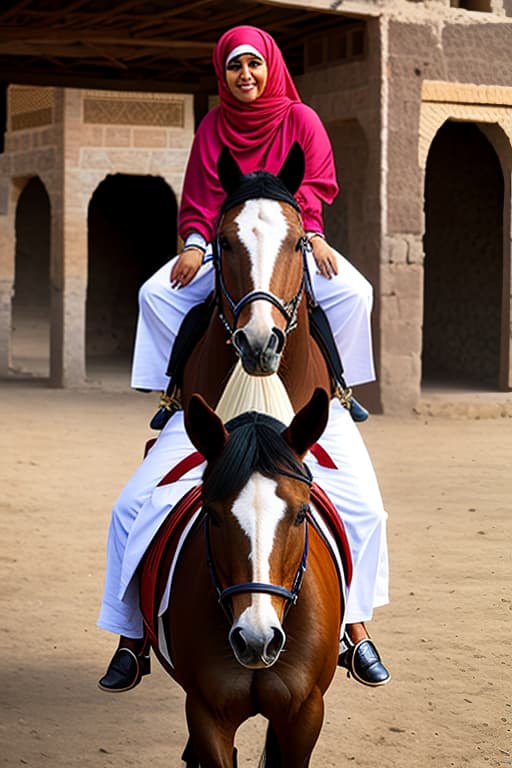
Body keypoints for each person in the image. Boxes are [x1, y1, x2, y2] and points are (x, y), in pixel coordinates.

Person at [97, 25, 390, 693]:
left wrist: (310, 232)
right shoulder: (212, 129)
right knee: (156, 290)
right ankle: (130, 632)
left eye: (255, 64)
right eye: (235, 67)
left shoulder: (301, 118)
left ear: (270, 66)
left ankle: (357, 624)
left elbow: (316, 183)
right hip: (232, 245)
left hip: (286, 239)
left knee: (354, 288)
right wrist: (196, 242)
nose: (246, 76)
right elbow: (201, 196)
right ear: (222, 74)